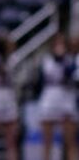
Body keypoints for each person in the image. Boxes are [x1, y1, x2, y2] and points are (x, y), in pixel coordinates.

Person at [37, 32, 78, 160]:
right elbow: (41, 81)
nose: (59, 46)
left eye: (61, 43)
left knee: (71, 142)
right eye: (56, 43)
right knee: (47, 143)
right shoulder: (46, 60)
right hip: (49, 100)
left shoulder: (72, 60)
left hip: (66, 100)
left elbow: (71, 76)